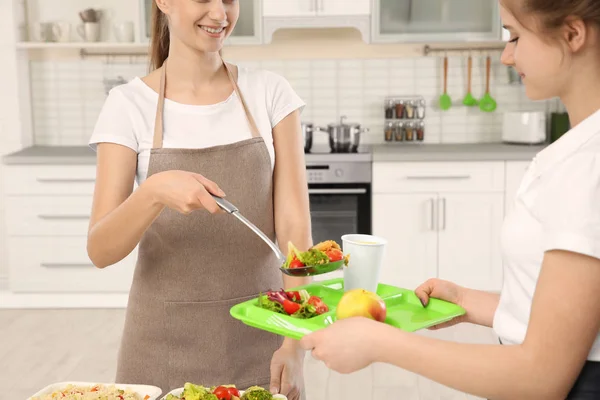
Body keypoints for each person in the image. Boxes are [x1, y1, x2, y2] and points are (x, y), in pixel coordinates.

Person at [300, 1, 600, 399]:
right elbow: (565, 321)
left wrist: (378, 343)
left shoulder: (588, 164)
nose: (507, 56)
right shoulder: (581, 153)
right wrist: (466, 301)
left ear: (573, 34)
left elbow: (540, 378)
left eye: (515, 36)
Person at [86, 0, 311, 398]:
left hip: (263, 343)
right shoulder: (127, 105)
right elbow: (101, 250)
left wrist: (294, 343)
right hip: (159, 351)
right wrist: (153, 192)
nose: (220, 13)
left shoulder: (271, 93)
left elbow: (295, 232)